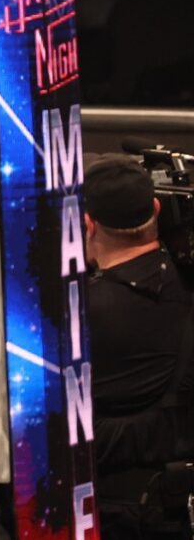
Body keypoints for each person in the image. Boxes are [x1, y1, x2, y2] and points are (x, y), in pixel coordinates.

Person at [83, 155, 193, 538]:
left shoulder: (77, 313)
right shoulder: (184, 287)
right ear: (157, 209)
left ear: (87, 223)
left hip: (114, 517)